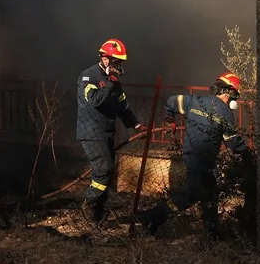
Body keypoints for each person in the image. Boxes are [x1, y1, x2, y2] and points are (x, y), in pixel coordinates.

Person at [135, 72, 248, 239]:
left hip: (190, 156)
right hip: (203, 161)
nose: (235, 100)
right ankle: (151, 218)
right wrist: (247, 153)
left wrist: (169, 120)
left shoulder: (195, 101)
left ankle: (212, 233)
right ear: (228, 92)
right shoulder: (225, 113)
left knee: (210, 193)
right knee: (188, 197)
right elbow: (232, 142)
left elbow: (172, 101)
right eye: (235, 95)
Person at [76, 39, 147, 224]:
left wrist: (136, 125)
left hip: (107, 132)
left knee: (107, 174)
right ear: (104, 58)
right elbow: (96, 100)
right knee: (104, 168)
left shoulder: (113, 82)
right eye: (115, 61)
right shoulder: (88, 76)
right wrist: (110, 81)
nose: (118, 66)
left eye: (120, 62)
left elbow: (122, 106)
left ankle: (96, 217)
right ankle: (89, 204)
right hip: (91, 132)